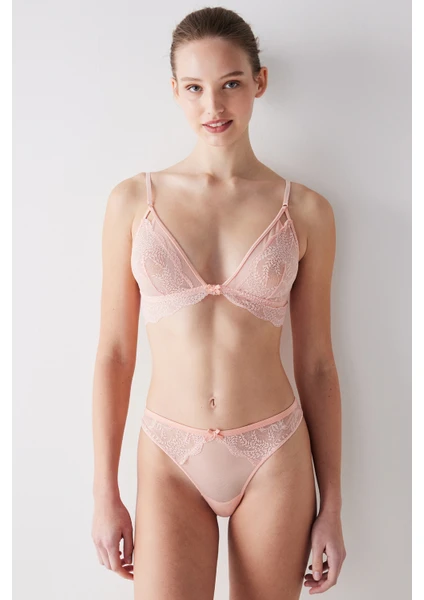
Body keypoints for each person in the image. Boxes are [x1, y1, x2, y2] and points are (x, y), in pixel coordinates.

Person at [91, 6, 346, 599]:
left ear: (260, 81)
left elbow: (317, 364)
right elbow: (113, 355)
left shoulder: (306, 211)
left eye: (231, 83)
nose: (214, 105)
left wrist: (332, 506)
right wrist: (105, 493)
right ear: (175, 91)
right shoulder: (133, 202)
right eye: (195, 88)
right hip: (169, 456)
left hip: (274, 453)